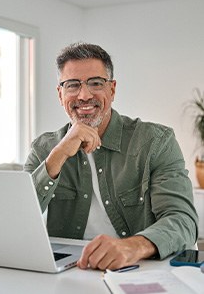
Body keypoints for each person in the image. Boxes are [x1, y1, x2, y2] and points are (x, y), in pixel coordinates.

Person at [24, 42, 198, 270]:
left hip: (141, 269)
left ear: (112, 89)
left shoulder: (156, 141)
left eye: (96, 83)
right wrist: (57, 156)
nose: (84, 95)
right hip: (71, 273)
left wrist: (132, 247)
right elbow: (15, 221)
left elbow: (182, 221)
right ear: (60, 94)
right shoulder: (43, 148)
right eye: (72, 85)